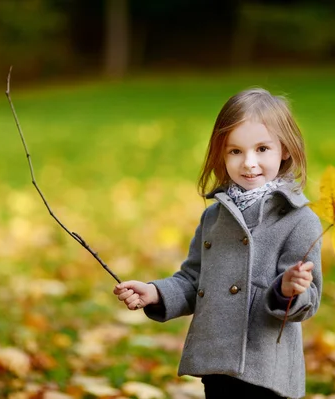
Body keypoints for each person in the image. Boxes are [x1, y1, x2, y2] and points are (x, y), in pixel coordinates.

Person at [113, 88, 322, 399]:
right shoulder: (215, 217)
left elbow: (310, 299)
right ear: (221, 155)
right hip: (216, 360)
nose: (249, 163)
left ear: (286, 150)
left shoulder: (298, 220)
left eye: (262, 149)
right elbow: (194, 280)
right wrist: (155, 292)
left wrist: (289, 289)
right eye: (235, 151)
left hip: (267, 368)